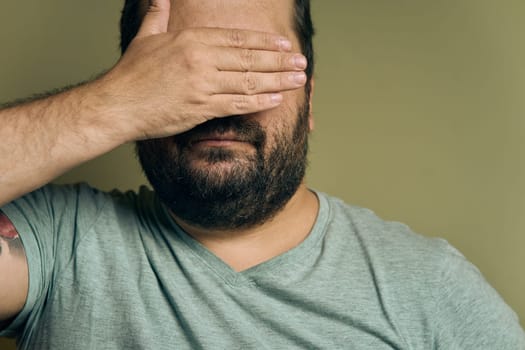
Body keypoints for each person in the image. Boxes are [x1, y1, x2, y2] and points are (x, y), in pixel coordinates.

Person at [0, 0, 523, 348]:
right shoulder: (57, 240)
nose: (221, 102)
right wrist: (111, 104)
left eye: (256, 67)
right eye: (185, 71)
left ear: (309, 98)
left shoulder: (429, 286)